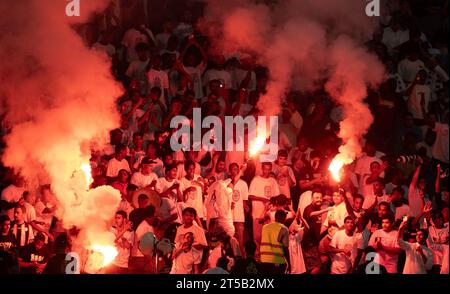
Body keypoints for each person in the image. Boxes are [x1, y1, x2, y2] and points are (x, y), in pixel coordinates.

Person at [249, 162, 280, 256]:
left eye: (269, 169)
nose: (267, 171)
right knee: (258, 237)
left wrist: (272, 203)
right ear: (262, 169)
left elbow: (277, 196)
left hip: (270, 214)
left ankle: (269, 255)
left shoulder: (273, 181)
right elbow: (250, 196)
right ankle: (258, 255)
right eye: (265, 169)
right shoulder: (256, 180)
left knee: (269, 236)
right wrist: (263, 199)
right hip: (258, 214)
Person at [302, 189, 332, 274]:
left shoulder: (319, 208)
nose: (319, 199)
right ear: (312, 199)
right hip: (308, 243)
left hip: (314, 243)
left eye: (320, 197)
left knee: (317, 265)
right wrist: (326, 210)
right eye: (316, 197)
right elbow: (311, 214)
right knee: (316, 267)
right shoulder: (309, 208)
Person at [227, 163, 249, 254]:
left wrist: (246, 207)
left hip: (239, 217)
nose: (235, 171)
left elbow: (244, 201)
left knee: (240, 241)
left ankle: (240, 260)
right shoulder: (226, 183)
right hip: (229, 218)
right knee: (230, 241)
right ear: (229, 171)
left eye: (237, 169)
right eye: (233, 169)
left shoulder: (243, 184)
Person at [129, 205, 156, 274]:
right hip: (140, 258)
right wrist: (150, 258)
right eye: (156, 213)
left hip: (144, 257)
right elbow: (140, 244)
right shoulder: (143, 226)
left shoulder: (149, 226)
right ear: (153, 214)